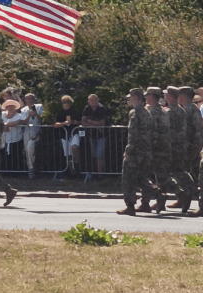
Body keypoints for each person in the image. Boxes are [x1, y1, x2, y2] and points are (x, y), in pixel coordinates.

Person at [117, 88, 164, 216]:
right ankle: (158, 194)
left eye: (130, 98)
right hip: (146, 151)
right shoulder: (147, 113)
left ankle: (130, 206)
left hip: (135, 152)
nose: (129, 100)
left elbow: (132, 134)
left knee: (128, 179)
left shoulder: (135, 113)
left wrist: (128, 151)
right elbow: (153, 134)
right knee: (141, 178)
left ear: (135, 98)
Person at [163, 86, 196, 213]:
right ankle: (188, 192)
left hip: (171, 146)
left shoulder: (170, 112)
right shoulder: (182, 110)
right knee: (180, 172)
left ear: (170, 96)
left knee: (164, 173)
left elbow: (166, 131)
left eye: (167, 94)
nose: (165, 96)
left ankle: (183, 193)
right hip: (182, 145)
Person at [81, 93, 111, 175]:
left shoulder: (102, 109)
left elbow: (102, 123)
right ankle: (95, 173)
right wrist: (95, 124)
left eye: (95, 100)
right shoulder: (87, 109)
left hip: (101, 135)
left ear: (98, 101)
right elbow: (83, 122)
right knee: (94, 155)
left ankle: (100, 175)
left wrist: (90, 121)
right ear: (88, 101)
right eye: (91, 100)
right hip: (91, 135)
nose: (93, 102)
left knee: (100, 154)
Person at [178, 86, 203, 181]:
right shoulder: (193, 108)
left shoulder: (187, 110)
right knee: (195, 172)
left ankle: (191, 192)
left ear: (184, 96)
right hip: (195, 145)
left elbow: (186, 130)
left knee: (186, 171)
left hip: (190, 146)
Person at [53, 95, 81, 174]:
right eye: (64, 102)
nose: (66, 104)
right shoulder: (60, 113)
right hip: (64, 135)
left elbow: (81, 121)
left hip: (74, 133)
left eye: (67, 102)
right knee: (67, 154)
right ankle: (71, 172)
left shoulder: (75, 112)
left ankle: (76, 165)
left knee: (74, 147)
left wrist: (75, 122)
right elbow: (55, 124)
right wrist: (63, 123)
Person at [20, 93, 43, 179]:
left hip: (37, 131)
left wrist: (35, 114)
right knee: (28, 151)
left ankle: (34, 168)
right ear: (25, 100)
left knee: (31, 147)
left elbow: (43, 119)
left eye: (31, 98)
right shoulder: (24, 110)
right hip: (27, 132)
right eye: (27, 99)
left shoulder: (39, 106)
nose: (29, 100)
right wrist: (29, 116)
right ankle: (31, 169)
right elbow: (23, 122)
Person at [1, 99, 24, 172]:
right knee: (4, 157)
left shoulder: (19, 115)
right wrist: (4, 126)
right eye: (8, 106)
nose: (10, 108)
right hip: (4, 139)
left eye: (12, 106)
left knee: (16, 156)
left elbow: (18, 122)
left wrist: (7, 125)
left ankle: (16, 172)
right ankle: (6, 172)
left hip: (16, 139)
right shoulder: (2, 115)